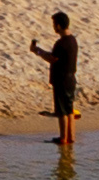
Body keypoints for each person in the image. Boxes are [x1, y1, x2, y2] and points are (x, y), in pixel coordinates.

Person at [31, 12, 82, 146]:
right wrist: (39, 51)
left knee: (61, 112)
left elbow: (52, 59)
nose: (53, 27)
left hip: (62, 81)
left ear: (58, 25)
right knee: (69, 110)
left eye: (54, 24)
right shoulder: (73, 40)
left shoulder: (61, 43)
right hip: (71, 80)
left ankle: (63, 139)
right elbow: (55, 56)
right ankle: (71, 138)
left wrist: (38, 52)